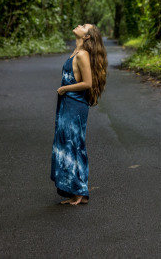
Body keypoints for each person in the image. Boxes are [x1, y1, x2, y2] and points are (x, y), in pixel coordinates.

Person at [50, 23, 107, 206]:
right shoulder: (76, 52)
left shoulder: (82, 55)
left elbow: (88, 83)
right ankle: (74, 190)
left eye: (84, 26)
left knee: (73, 144)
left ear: (87, 36)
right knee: (66, 143)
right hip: (68, 103)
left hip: (75, 104)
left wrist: (64, 88)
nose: (79, 25)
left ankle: (80, 190)